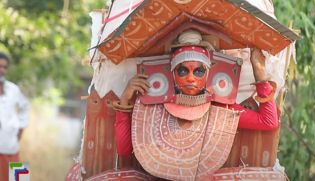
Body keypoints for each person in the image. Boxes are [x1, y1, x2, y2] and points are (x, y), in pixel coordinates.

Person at [113, 45, 278, 157]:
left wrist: (259, 70)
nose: (190, 78)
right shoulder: (153, 107)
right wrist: (125, 99)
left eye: (198, 71)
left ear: (208, 75)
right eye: (183, 70)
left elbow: (269, 122)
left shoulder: (223, 109)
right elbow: (124, 150)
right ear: (172, 74)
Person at [0, 52, 29, 181]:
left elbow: (25, 107)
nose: (2, 70)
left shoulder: (13, 89)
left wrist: (21, 128)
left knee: (20, 179)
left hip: (12, 148)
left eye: (5, 67)